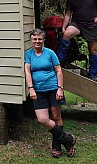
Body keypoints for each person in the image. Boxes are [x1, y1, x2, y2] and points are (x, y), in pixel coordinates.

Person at [25, 28, 76, 158]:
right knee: (42, 119)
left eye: (40, 39)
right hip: (38, 91)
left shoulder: (50, 53)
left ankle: (56, 147)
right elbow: (27, 72)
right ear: (31, 40)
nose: (37, 41)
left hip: (53, 89)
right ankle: (67, 140)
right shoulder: (29, 54)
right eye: (35, 39)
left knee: (56, 117)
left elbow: (58, 70)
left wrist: (60, 88)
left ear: (43, 40)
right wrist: (31, 88)